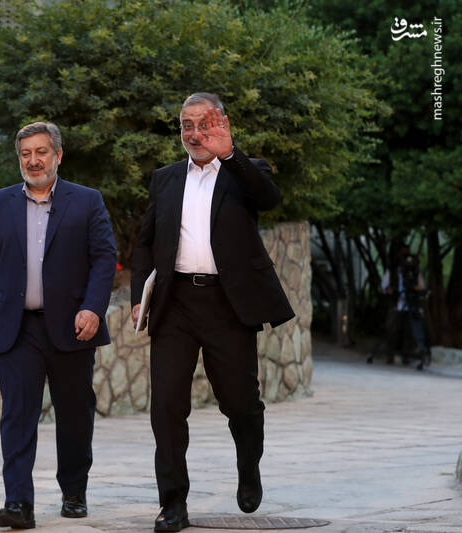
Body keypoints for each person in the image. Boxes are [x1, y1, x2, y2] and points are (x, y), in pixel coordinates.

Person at [131, 93, 294, 532]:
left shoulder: (245, 170)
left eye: (203, 124)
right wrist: (138, 296)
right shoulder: (165, 179)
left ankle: (249, 465)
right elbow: (146, 241)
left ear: (222, 124)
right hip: (175, 304)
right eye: (186, 125)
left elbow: (269, 199)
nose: (194, 133)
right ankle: (173, 503)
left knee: (240, 403)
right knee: (166, 406)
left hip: (228, 303)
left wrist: (231, 155)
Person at [0, 121, 117, 530]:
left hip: (72, 327)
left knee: (75, 415)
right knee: (17, 415)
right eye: (25, 153)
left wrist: (93, 308)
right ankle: (18, 503)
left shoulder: (87, 201)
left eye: (41, 152)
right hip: (18, 329)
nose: (33, 160)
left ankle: (74, 491)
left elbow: (104, 259)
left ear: (58, 155)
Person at [381, 245, 429, 367]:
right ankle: (390, 355)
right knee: (392, 329)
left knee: (410, 331)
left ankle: (406, 356)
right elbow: (385, 286)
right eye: (403, 255)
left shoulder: (415, 272)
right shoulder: (392, 271)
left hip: (411, 304)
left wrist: (416, 291)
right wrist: (392, 292)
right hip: (396, 304)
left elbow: (421, 286)